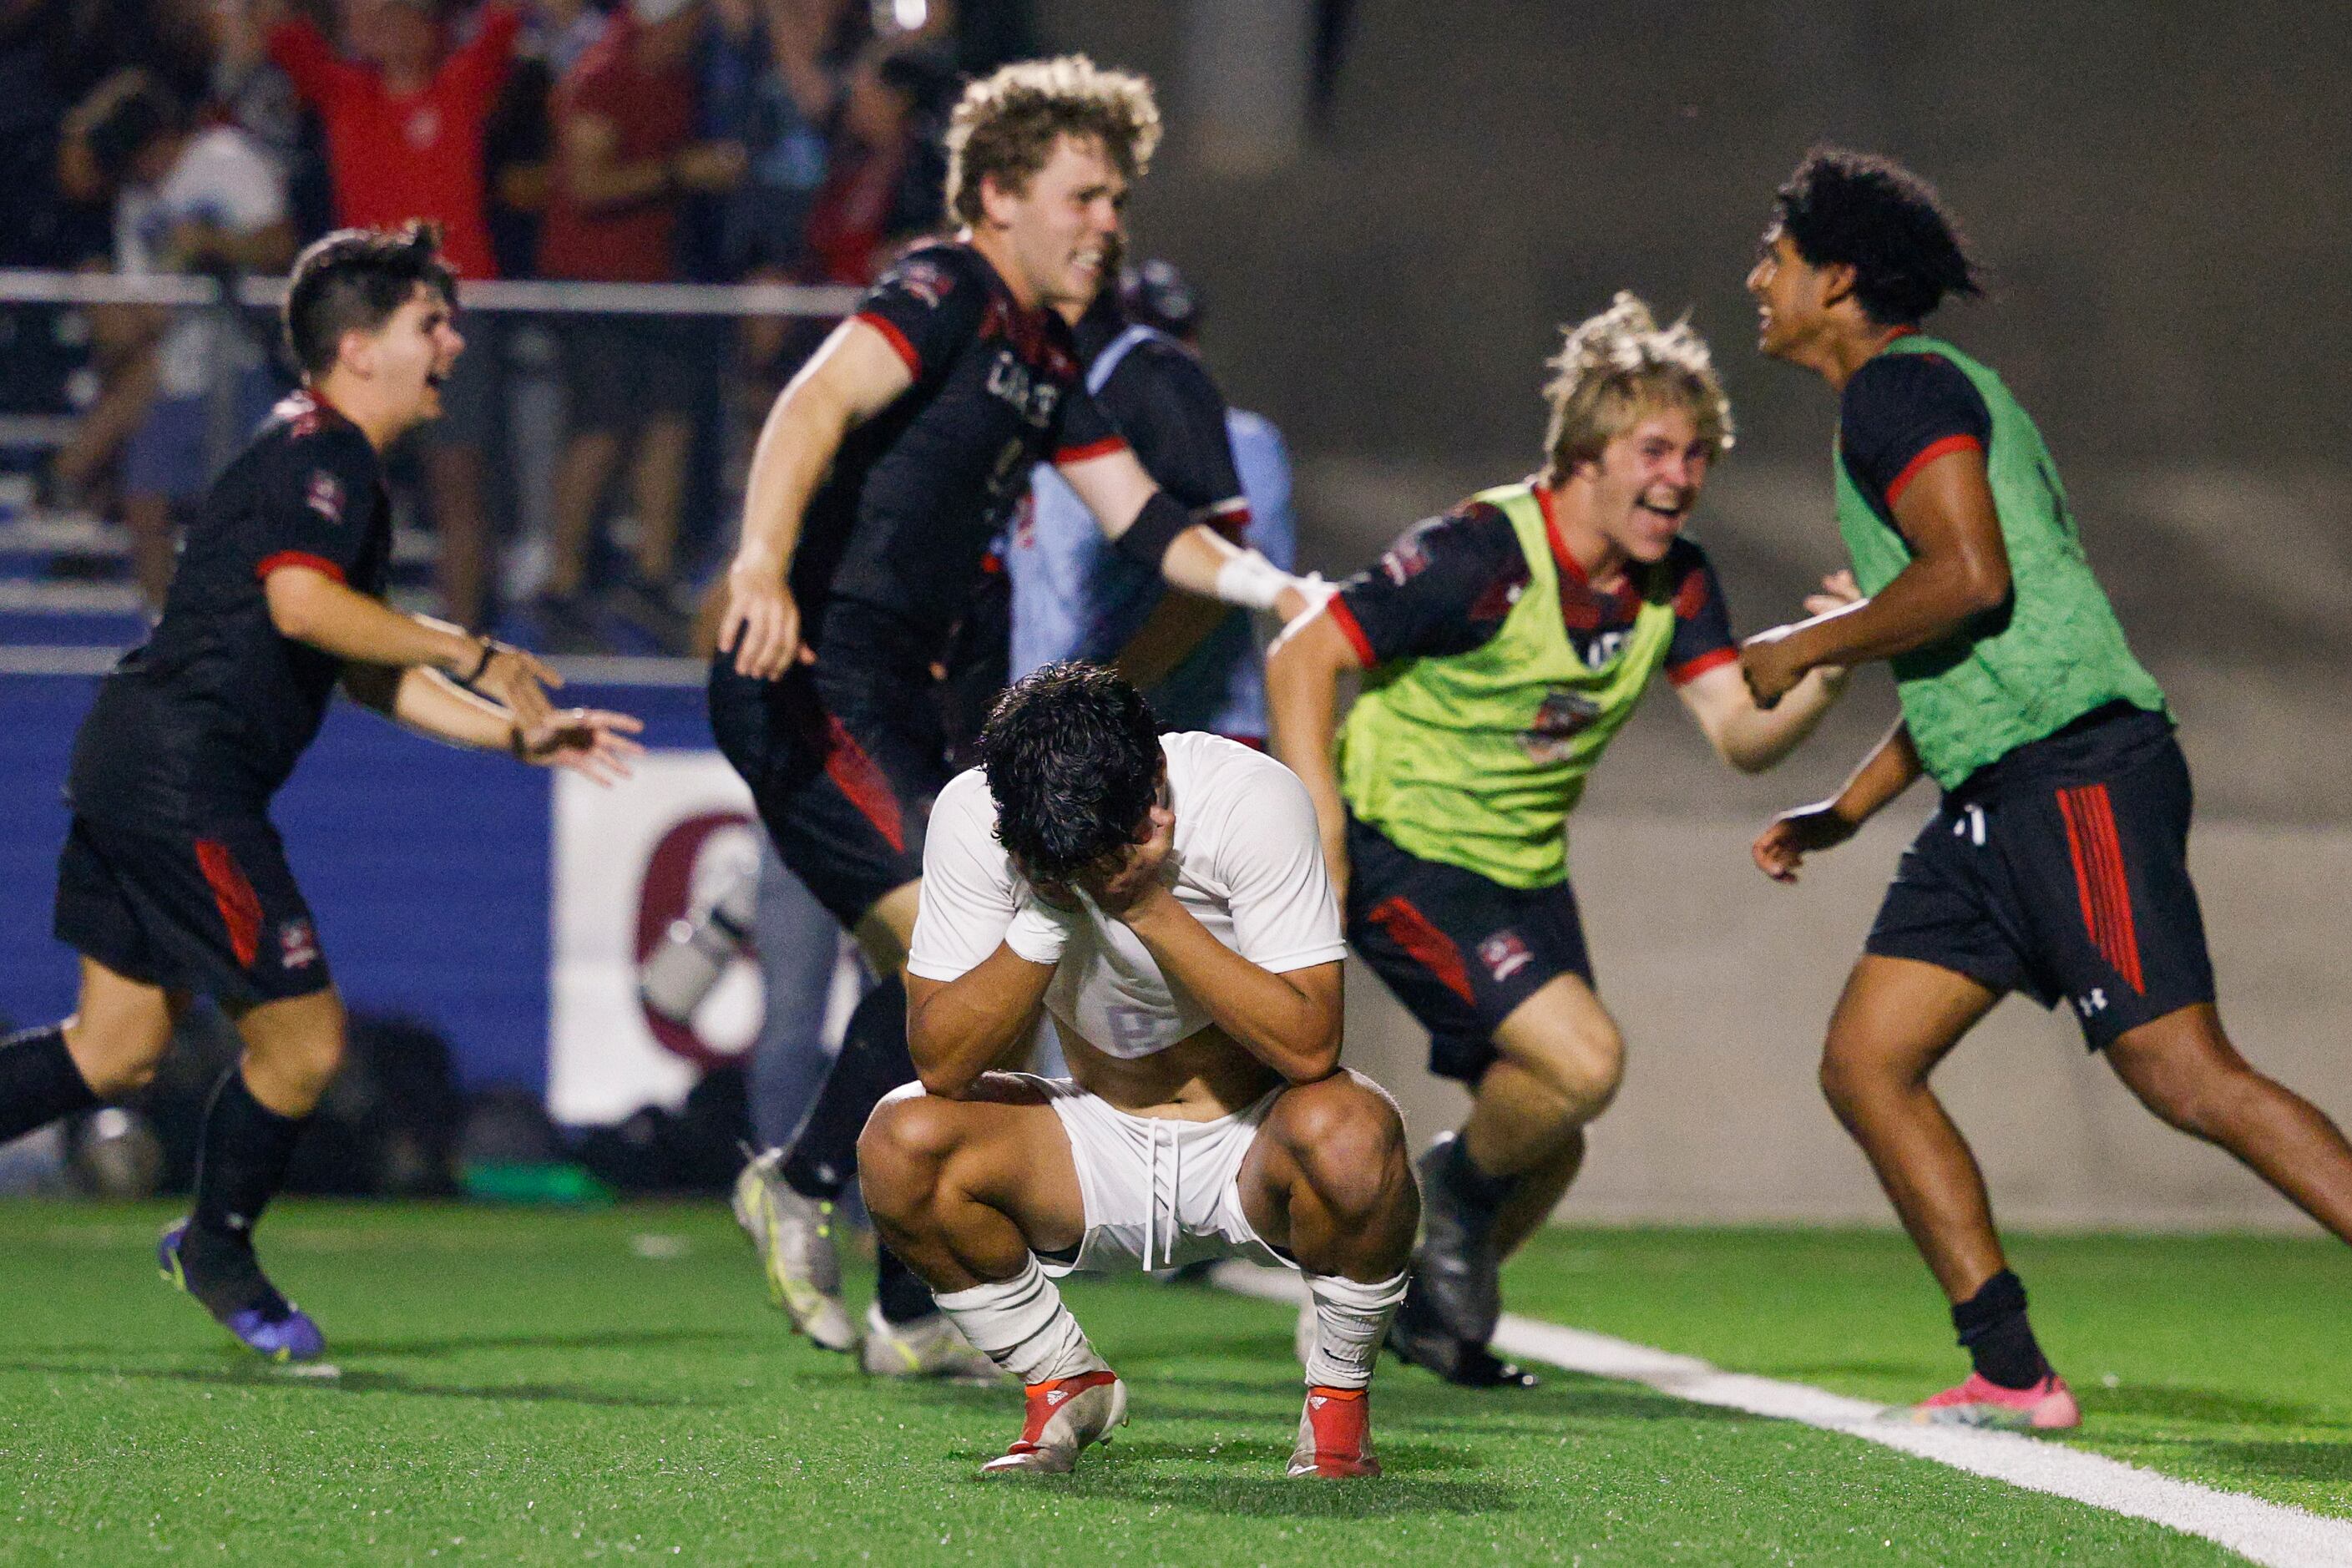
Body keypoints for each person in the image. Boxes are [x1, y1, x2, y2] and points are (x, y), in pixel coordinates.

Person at [710, 54, 1324, 1378]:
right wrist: (760, 562)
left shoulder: (1045, 353)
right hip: (810, 671)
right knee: (944, 972)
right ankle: (810, 1181)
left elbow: (1147, 523)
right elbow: (811, 403)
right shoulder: (942, 290)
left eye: (1117, 200)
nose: (1110, 222)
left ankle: (904, 1306)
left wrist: (1273, 584)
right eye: (1085, 195)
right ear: (995, 196)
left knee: (972, 978)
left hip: (904, 693)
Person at [1739, 147, 2352, 1430]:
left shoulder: (1897, 390)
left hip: (2070, 769)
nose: (1759, 278)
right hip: (1994, 791)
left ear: (1836, 279)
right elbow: (1962, 637)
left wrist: (1803, 643)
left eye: (1777, 258)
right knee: (1867, 1062)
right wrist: (1844, 811)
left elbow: (1969, 582)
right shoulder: (1910, 398)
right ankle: (2010, 1370)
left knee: (2183, 1075)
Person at [0, 223, 642, 1362]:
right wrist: (473, 647)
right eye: (428, 323)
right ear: (357, 348)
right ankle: (216, 1244)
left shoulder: (331, 464)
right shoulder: (327, 455)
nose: (452, 339)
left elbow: (356, 661)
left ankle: (211, 1240)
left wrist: (512, 739)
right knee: (302, 1045)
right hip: (183, 775)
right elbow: (303, 607)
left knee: (116, 1047)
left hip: (137, 756)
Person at [1266, 293, 1852, 1387]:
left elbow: (1738, 732)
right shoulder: (1478, 553)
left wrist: (1827, 668)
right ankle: (1430, 1210)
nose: (1681, 477)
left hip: (1523, 874)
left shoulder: (1675, 583)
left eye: (1697, 455)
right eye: (1656, 450)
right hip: (1406, 853)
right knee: (1582, 1062)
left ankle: (1418, 1311)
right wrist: (1322, 834)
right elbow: (1303, 654)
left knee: (1552, 1130)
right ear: (1587, 451)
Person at [860, 662, 1415, 1478]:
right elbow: (943, 1062)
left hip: (1249, 1144)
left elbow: (1308, 1047)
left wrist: (1148, 906)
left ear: (1156, 791)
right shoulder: (979, 816)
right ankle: (1063, 1380)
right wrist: (1048, 912)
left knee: (1354, 1133)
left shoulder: (1247, 799)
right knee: (902, 1142)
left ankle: (1336, 1408)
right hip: (1092, 1147)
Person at [263, 0, 523, 630]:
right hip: (367, 322)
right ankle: (347, 642)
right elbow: (278, 25)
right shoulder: (342, 90)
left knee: (457, 479)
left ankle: (462, 644)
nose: (375, 22)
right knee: (347, 484)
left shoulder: (460, 86)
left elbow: (508, 19)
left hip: (451, 317)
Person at [1010, 254, 1294, 746]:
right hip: (1054, 724)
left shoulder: (1247, 442)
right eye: (1156, 327)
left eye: (1182, 330)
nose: (1172, 346)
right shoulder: (1059, 416)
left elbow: (1225, 577)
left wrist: (1104, 695)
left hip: (1191, 727)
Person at [536, 0, 746, 651]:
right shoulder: (603, 74)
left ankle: (651, 580)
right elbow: (588, 183)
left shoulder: (679, 80)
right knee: (599, 429)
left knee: (669, 422)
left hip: (656, 281)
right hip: (596, 284)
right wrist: (683, 171)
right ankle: (564, 585)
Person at [61, 69, 296, 608]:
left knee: (245, 515)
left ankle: (256, 641)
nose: (140, 171)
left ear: (162, 137)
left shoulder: (225, 158)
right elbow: (149, 300)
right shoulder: (137, 196)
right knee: (146, 504)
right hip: (174, 370)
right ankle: (167, 641)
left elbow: (281, 244)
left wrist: (210, 243)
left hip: (244, 363)